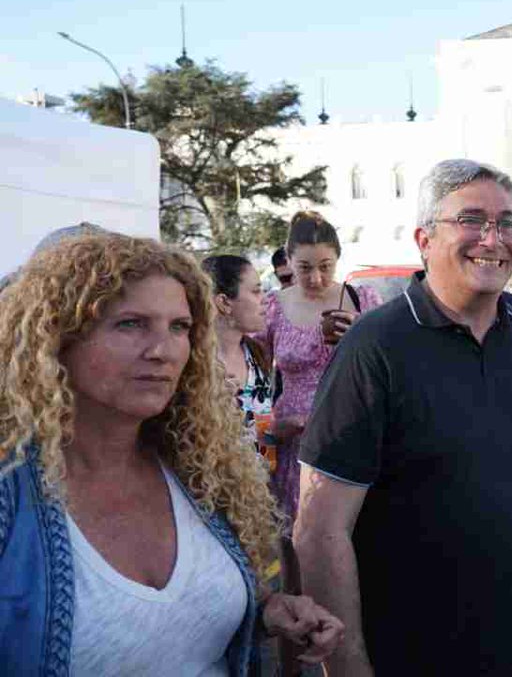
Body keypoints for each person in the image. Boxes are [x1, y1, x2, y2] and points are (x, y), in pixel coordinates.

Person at [0, 233, 344, 676]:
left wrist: (265, 612)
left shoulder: (200, 467)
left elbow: (172, 626)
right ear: (58, 336)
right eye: (130, 324)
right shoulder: (12, 493)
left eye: (179, 327)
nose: (161, 351)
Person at [293, 159, 512, 675]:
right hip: (406, 655)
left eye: (507, 223)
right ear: (424, 240)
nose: (493, 239)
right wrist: (348, 668)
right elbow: (320, 530)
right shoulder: (374, 347)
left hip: (511, 649)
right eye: (471, 220)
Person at [256, 211, 381, 675]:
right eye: (305, 267)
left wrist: (358, 336)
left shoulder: (361, 298)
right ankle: (292, 668)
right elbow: (251, 375)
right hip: (295, 445)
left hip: (353, 435)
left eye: (325, 266)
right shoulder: (272, 306)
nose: (316, 277)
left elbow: (384, 363)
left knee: (352, 549)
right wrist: (273, 424)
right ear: (288, 262)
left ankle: (355, 655)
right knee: (295, 561)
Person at [202, 254, 272, 446]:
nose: (265, 299)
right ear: (224, 302)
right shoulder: (195, 364)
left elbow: (262, 431)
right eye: (256, 291)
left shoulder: (256, 353)